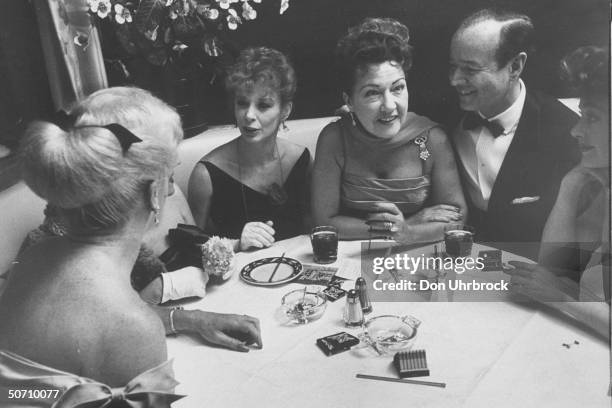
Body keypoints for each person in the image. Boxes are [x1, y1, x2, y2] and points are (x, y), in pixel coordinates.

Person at [0, 87, 260, 405]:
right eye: (171, 176)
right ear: (153, 193)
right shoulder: (134, 329)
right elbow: (115, 327)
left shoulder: (36, 260)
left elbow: (28, 389)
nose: (170, 192)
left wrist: (192, 320)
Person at [312, 18, 466, 243]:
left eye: (397, 88)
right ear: (350, 101)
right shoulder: (334, 139)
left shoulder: (432, 139)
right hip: (351, 255)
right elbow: (324, 222)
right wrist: (402, 226)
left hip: (414, 252)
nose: (390, 106)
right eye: (372, 93)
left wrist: (409, 233)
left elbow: (458, 218)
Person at [449, 8, 580, 260]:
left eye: (470, 69)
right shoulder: (445, 114)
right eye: (453, 66)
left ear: (515, 66)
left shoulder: (567, 132)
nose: (455, 80)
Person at [505, 46, 609, 339]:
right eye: (580, 115)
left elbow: (552, 287)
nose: (575, 130)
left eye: (592, 118)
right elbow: (551, 270)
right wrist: (570, 186)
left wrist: (559, 298)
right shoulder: (594, 183)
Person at [189, 47, 310, 251]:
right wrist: (236, 244)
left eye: (263, 105)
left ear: (285, 111)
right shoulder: (206, 174)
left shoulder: (302, 160)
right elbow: (189, 249)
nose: (248, 115)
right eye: (242, 103)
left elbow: (313, 230)